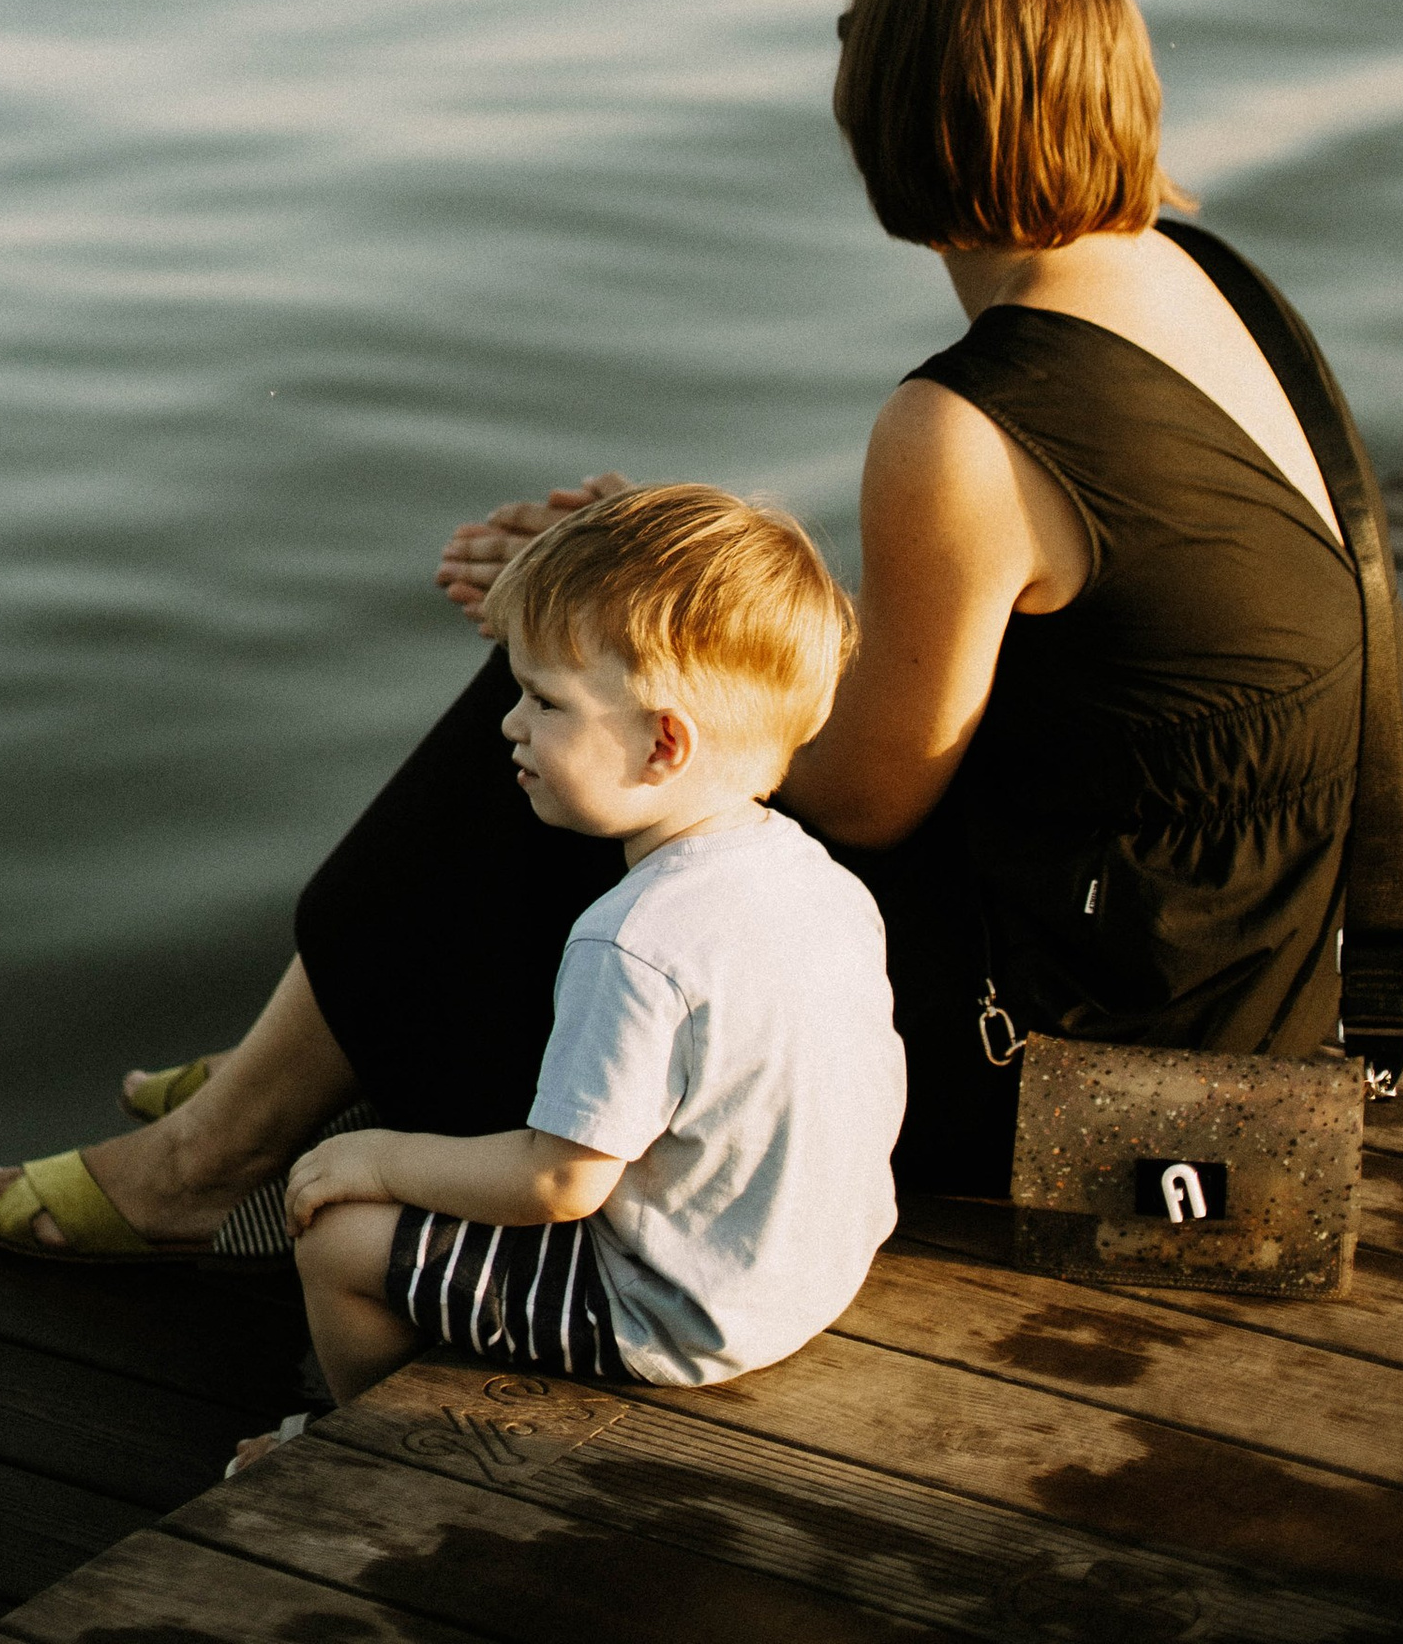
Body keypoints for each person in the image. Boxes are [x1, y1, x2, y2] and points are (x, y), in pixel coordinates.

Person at [0, 0, 1364, 1253]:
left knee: (570, 703)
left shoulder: (970, 425)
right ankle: (293, 1065)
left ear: (890, 117)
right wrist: (656, 595)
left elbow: (870, 798)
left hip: (1101, 1086)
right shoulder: (1206, 277)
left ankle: (214, 1159)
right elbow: (1073, 669)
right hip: (1241, 993)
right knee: (602, 663)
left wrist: (645, 629)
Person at [235, 485, 903, 1457]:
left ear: (662, 743)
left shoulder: (634, 938)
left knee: (337, 1241)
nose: (509, 725)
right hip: (811, 1261)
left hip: (679, 1314)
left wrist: (375, 1159)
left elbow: (558, 1183)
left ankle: (361, 1454)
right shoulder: (816, 881)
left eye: (544, 702)